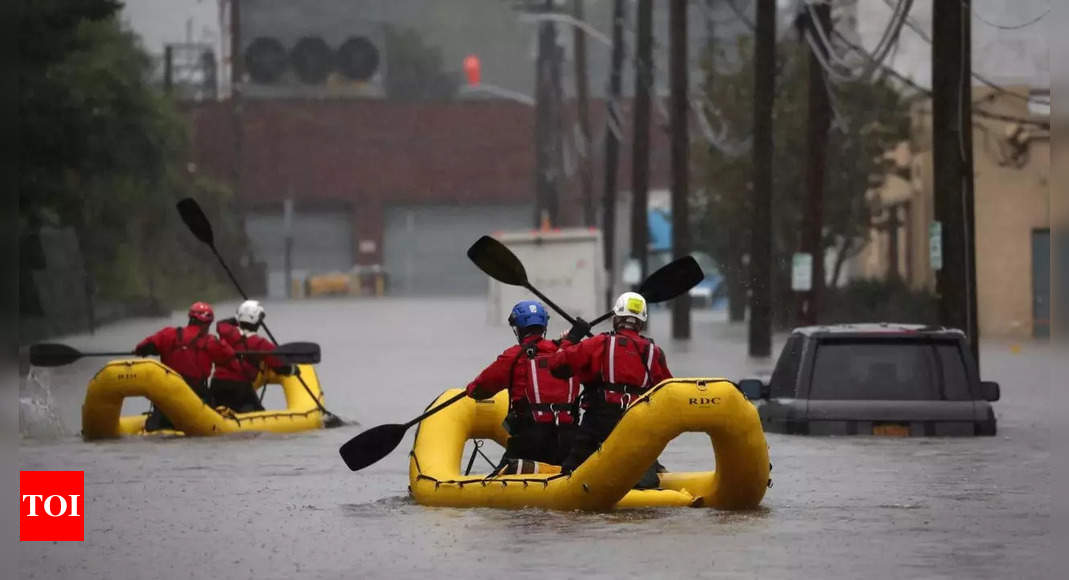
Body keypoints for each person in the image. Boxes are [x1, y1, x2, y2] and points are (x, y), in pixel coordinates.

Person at [548, 291, 672, 488]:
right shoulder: (654, 352)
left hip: (600, 421)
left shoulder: (600, 343)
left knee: (571, 471)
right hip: (638, 421)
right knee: (643, 466)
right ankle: (649, 476)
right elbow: (668, 394)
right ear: (642, 323)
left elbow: (556, 366)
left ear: (616, 319)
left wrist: (571, 339)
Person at [465, 301, 579, 473]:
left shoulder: (513, 356)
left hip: (529, 441)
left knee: (498, 478)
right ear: (544, 326)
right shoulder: (567, 352)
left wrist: (470, 389)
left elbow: (478, 390)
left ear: (518, 328)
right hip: (568, 440)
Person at [134, 302, 236, 430]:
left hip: (167, 393)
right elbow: (229, 356)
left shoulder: (168, 334)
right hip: (195, 396)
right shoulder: (211, 341)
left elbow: (142, 348)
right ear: (206, 323)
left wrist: (147, 351)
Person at [213, 300, 289, 413]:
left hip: (217, 384)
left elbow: (221, 323)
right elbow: (281, 367)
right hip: (240, 388)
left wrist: (240, 317)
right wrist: (292, 369)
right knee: (259, 412)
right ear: (258, 322)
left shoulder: (226, 331)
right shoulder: (262, 344)